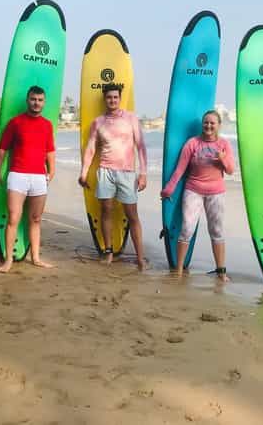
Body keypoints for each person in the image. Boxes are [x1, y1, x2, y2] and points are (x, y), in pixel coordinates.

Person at [78, 83, 148, 270]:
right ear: (105, 99)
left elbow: (141, 147)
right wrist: (83, 173)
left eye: (115, 97)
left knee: (132, 215)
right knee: (106, 211)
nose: (112, 100)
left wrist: (143, 174)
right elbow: (91, 149)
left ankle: (140, 256)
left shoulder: (131, 119)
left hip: (126, 173)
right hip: (105, 172)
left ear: (119, 98)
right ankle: (108, 251)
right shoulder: (98, 122)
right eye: (109, 97)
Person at [160, 110, 235, 281]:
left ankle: (221, 271)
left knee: (216, 230)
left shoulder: (224, 144)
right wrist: (169, 189)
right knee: (187, 229)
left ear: (218, 125)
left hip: (216, 192)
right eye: (206, 122)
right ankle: (178, 270)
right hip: (193, 190)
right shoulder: (192, 143)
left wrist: (222, 159)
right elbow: (180, 169)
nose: (208, 126)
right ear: (202, 124)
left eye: (212, 123)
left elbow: (230, 170)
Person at [0, 85, 56, 273]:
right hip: (18, 175)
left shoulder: (47, 125)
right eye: (33, 99)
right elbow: (3, 148)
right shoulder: (16, 123)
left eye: (40, 100)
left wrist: (52, 171)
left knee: (35, 218)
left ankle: (35, 257)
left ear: (44, 102)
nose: (37, 103)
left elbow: (49, 150)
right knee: (13, 218)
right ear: (28, 100)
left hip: (38, 177)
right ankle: (8, 260)